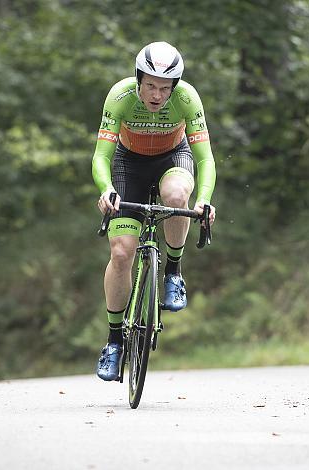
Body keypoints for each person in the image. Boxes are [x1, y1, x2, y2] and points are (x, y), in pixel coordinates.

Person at [92, 41, 216, 381]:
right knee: (121, 252)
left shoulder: (187, 98)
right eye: (150, 86)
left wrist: (203, 199)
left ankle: (173, 270)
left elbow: (205, 158)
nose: (157, 95)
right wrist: (107, 190)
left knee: (177, 196)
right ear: (138, 80)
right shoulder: (120, 97)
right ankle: (114, 341)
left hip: (172, 158)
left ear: (174, 87)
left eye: (164, 88)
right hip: (127, 164)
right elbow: (101, 155)